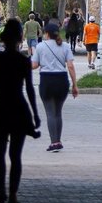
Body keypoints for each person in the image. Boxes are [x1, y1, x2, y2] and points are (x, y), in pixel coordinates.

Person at [0, 18, 41, 203]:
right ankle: (13, 195)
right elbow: (30, 89)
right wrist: (35, 114)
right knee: (16, 156)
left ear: (4, 39)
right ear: (19, 38)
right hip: (18, 109)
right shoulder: (23, 61)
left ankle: (0, 192)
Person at [31, 23, 79, 152]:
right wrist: (75, 85)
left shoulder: (40, 46)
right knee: (58, 112)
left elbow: (34, 65)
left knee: (50, 113)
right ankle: (58, 140)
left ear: (46, 33)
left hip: (46, 80)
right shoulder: (66, 46)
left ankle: (54, 142)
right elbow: (70, 66)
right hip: (62, 80)